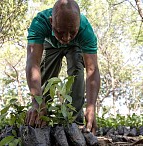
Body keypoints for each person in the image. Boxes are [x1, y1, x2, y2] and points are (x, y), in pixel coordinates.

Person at [25, 0, 100, 134]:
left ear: (78, 25)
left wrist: (91, 106)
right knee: (46, 74)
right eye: (60, 32)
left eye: (72, 32)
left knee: (77, 71)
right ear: (51, 21)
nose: (66, 38)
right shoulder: (39, 23)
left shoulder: (85, 30)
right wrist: (36, 101)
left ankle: (74, 121)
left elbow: (92, 70)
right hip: (51, 45)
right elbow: (33, 62)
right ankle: (41, 116)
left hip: (75, 47)